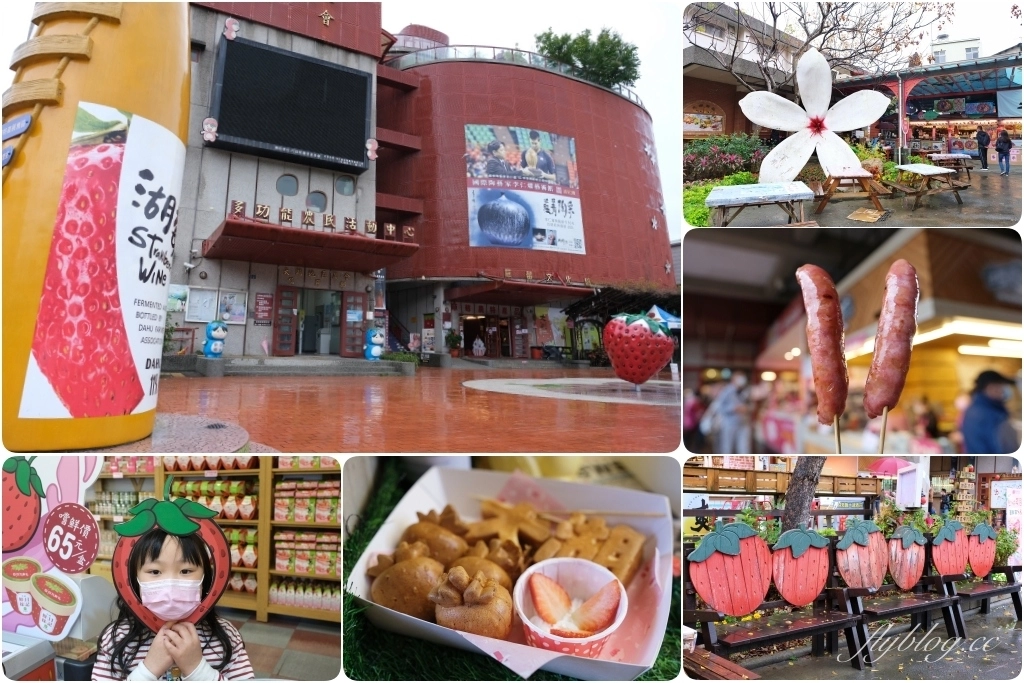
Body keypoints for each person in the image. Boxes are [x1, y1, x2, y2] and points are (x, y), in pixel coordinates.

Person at [93, 528, 254, 680]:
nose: (170, 585)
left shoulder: (226, 637)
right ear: (133, 579)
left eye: (185, 571)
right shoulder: (115, 640)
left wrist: (197, 669)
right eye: (155, 572)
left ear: (205, 577)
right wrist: (148, 670)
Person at [962, 370, 1019, 453]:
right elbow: (1003, 447)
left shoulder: (976, 409)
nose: (1003, 390)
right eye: (1001, 386)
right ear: (991, 387)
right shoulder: (989, 414)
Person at [709, 372, 752, 453]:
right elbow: (720, 407)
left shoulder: (746, 390)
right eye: (739, 378)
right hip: (729, 424)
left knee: (744, 447)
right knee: (727, 447)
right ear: (733, 379)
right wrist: (733, 408)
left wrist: (747, 408)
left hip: (743, 423)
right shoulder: (726, 391)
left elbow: (751, 405)